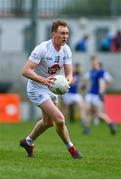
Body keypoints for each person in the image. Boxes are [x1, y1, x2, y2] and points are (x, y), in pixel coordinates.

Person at [20, 20, 82, 159]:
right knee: (60, 119)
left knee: (48, 123)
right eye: (62, 33)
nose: (65, 36)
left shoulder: (66, 49)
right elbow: (25, 71)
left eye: (67, 33)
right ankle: (72, 149)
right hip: (37, 88)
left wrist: (67, 82)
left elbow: (69, 74)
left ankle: (28, 141)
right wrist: (44, 80)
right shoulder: (42, 48)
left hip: (51, 88)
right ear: (53, 34)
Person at [81, 55, 117, 135]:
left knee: (97, 113)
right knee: (87, 110)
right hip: (90, 94)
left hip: (97, 95)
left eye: (94, 61)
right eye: (92, 62)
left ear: (97, 62)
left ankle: (111, 123)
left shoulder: (101, 72)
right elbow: (85, 80)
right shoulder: (91, 72)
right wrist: (84, 85)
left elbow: (107, 81)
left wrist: (102, 91)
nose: (93, 63)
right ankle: (86, 128)